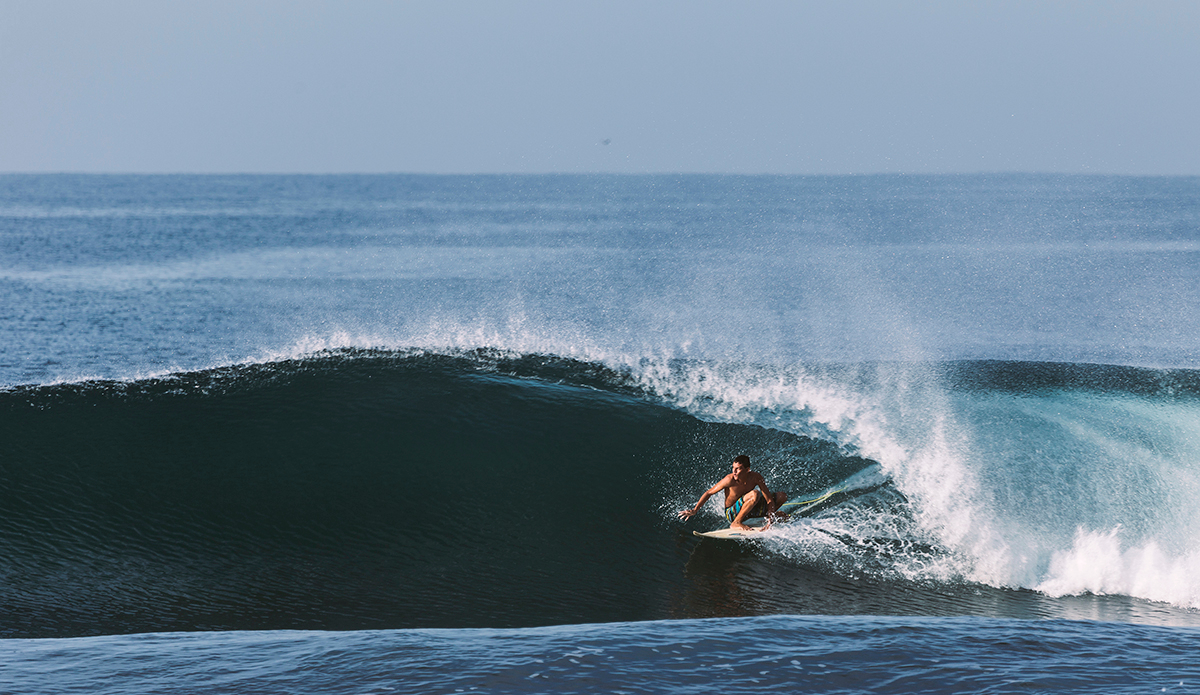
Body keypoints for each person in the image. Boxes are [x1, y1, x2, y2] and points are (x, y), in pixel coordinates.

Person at [678, 455, 789, 531]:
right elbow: (709, 493)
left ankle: (767, 517)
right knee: (755, 494)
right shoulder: (729, 480)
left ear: (747, 470)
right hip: (732, 513)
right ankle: (736, 523)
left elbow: (769, 499)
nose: (734, 472)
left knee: (782, 496)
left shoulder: (756, 477)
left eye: (738, 469)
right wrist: (695, 510)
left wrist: (771, 518)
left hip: (749, 510)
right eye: (733, 468)